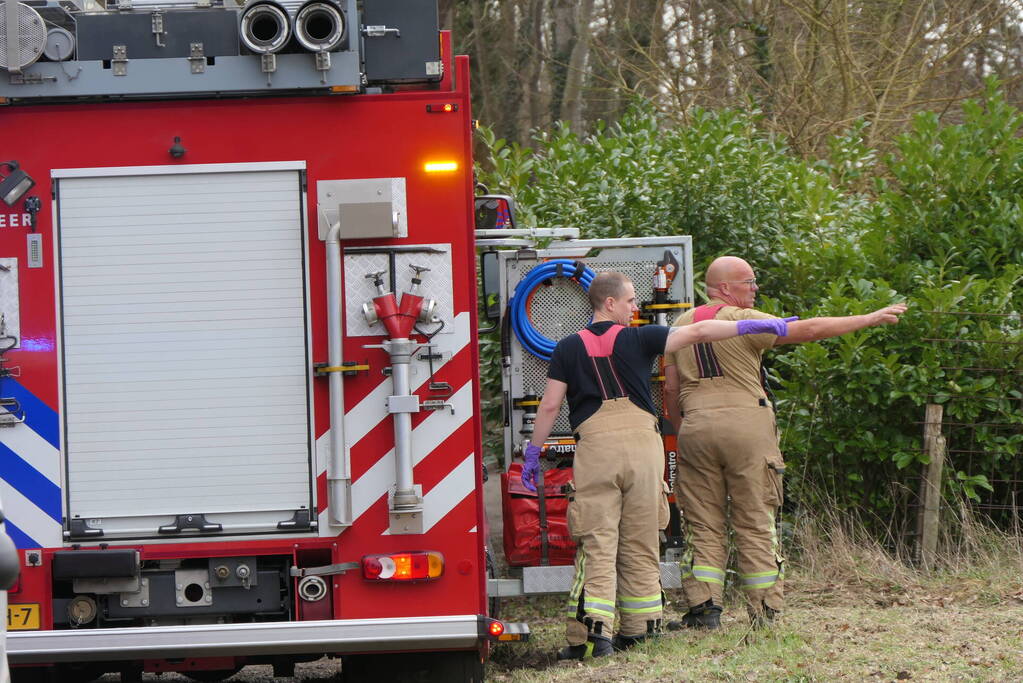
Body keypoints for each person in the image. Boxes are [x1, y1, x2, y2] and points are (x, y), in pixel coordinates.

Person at [519, 271, 796, 659]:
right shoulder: (642, 338)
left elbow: (550, 405)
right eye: (631, 301)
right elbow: (699, 334)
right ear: (610, 303)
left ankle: (594, 638)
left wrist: (533, 453)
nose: (636, 308)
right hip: (644, 452)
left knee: (598, 542)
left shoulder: (566, 348)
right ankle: (641, 630)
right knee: (643, 540)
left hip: (597, 452)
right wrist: (755, 324)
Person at [663, 256, 907, 630]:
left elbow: (670, 389)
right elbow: (808, 330)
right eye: (749, 282)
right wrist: (869, 318)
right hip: (746, 425)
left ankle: (705, 610)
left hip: (695, 426)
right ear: (725, 288)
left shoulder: (678, 325)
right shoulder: (743, 321)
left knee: (702, 522)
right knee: (755, 518)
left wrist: (685, 430)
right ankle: (764, 609)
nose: (755, 288)